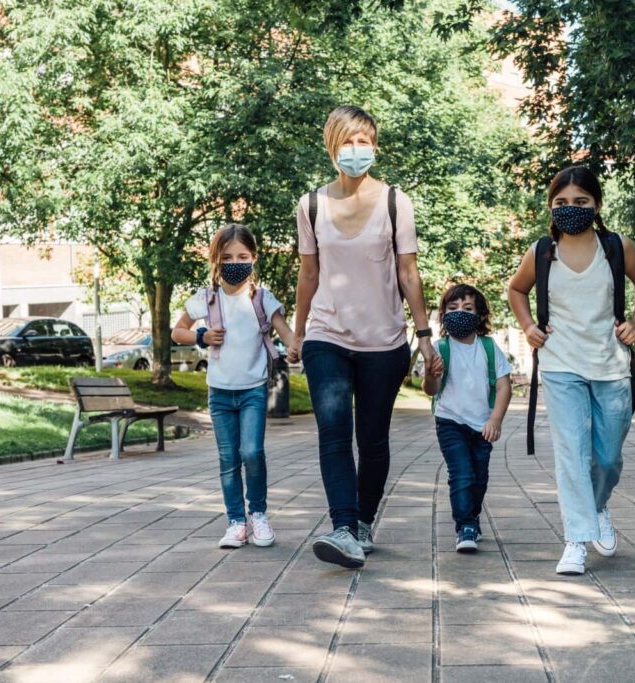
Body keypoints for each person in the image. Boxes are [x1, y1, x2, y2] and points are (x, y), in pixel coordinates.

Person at [288, 105, 440, 569]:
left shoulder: (397, 201)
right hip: (326, 334)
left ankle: (364, 522)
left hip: (384, 340)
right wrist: (297, 334)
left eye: (364, 141)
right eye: (347, 141)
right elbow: (308, 273)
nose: (356, 150)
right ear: (331, 146)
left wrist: (424, 335)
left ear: (374, 145)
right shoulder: (311, 204)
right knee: (334, 433)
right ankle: (343, 527)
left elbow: (408, 272)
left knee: (372, 439)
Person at [507, 166, 635, 575]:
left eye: (580, 203)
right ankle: (576, 538)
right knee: (572, 454)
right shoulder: (541, 251)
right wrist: (528, 327)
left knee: (607, 457)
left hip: (611, 364)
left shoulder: (616, 247)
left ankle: (597, 506)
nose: (570, 209)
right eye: (561, 203)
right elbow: (516, 290)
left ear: (597, 205)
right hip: (560, 365)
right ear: (550, 207)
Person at [171, 224, 296, 549]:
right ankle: (236, 523)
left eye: (242, 256)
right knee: (228, 458)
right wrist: (201, 336)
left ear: (253, 258)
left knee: (252, 452)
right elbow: (178, 331)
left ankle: (259, 515)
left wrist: (298, 346)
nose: (234, 262)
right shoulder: (207, 297)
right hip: (220, 392)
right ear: (216, 259)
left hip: (253, 389)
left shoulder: (262, 298)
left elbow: (285, 332)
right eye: (227, 257)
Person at [423, 284, 512, 553]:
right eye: (452, 308)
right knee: (461, 473)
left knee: (479, 477)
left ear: (480, 315)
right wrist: (430, 372)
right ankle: (465, 526)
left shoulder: (488, 347)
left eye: (467, 308)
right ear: (443, 315)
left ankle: (472, 517)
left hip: (482, 423)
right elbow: (431, 390)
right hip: (449, 421)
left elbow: (503, 385)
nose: (459, 312)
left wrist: (495, 419)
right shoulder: (440, 348)